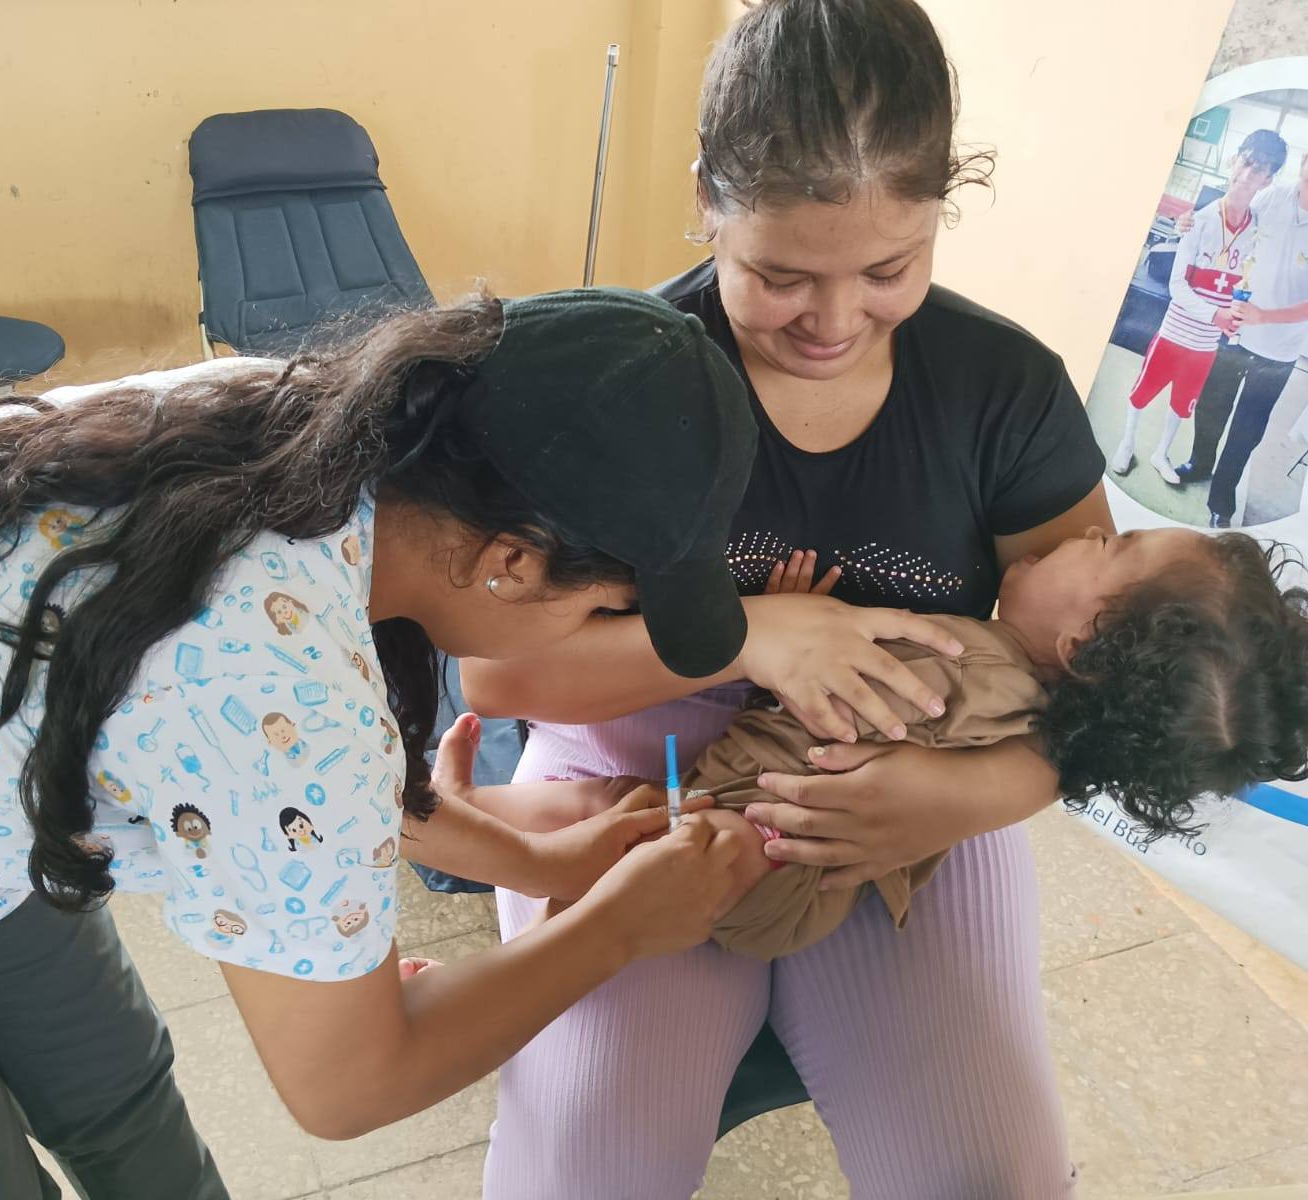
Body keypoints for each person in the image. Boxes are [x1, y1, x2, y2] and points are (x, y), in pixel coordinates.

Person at [0, 288, 817, 1199]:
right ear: (512, 563)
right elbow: (344, 1086)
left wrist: (532, 859)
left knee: (117, 1092)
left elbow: (239, 754)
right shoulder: (288, 692)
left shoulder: (295, 422)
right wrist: (619, 926)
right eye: (604, 608)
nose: (598, 634)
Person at [462, 2, 1117, 1195]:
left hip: (908, 788)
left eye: (887, 271)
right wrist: (750, 634)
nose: (832, 322)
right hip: (638, 773)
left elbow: (1100, 675)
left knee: (987, 1175)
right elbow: (500, 674)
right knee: (588, 1169)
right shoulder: (618, 386)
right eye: (779, 276)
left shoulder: (1004, 393)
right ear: (705, 200)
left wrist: (964, 795)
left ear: (936, 216)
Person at [485, 528, 1308, 961]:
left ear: (1083, 643)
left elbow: (830, 693)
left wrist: (780, 624)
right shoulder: (1027, 711)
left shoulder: (959, 658)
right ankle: (480, 828)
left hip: (762, 845)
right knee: (620, 810)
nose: (1092, 527)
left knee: (642, 839)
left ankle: (494, 856)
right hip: (788, 862)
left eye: (1111, 548)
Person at [1110, 130, 1287, 482]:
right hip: (1175, 333)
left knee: (1183, 404)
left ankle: (1161, 453)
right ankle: (1127, 443)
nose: (1246, 175)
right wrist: (1215, 314)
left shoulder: (1258, 230)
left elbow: (1250, 281)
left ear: (1267, 180)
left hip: (1206, 345)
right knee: (1142, 393)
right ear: (1234, 159)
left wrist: (1239, 314)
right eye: (1245, 162)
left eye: (1258, 170)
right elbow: (1177, 286)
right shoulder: (1199, 220)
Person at [1175, 147, 1308, 526]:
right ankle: (1200, 463)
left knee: (1248, 428)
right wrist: (1192, 222)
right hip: (1235, 332)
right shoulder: (1273, 196)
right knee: (1211, 405)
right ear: (1303, 163)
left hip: (1280, 350)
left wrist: (1267, 316)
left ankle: (1222, 497)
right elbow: (1233, 214)